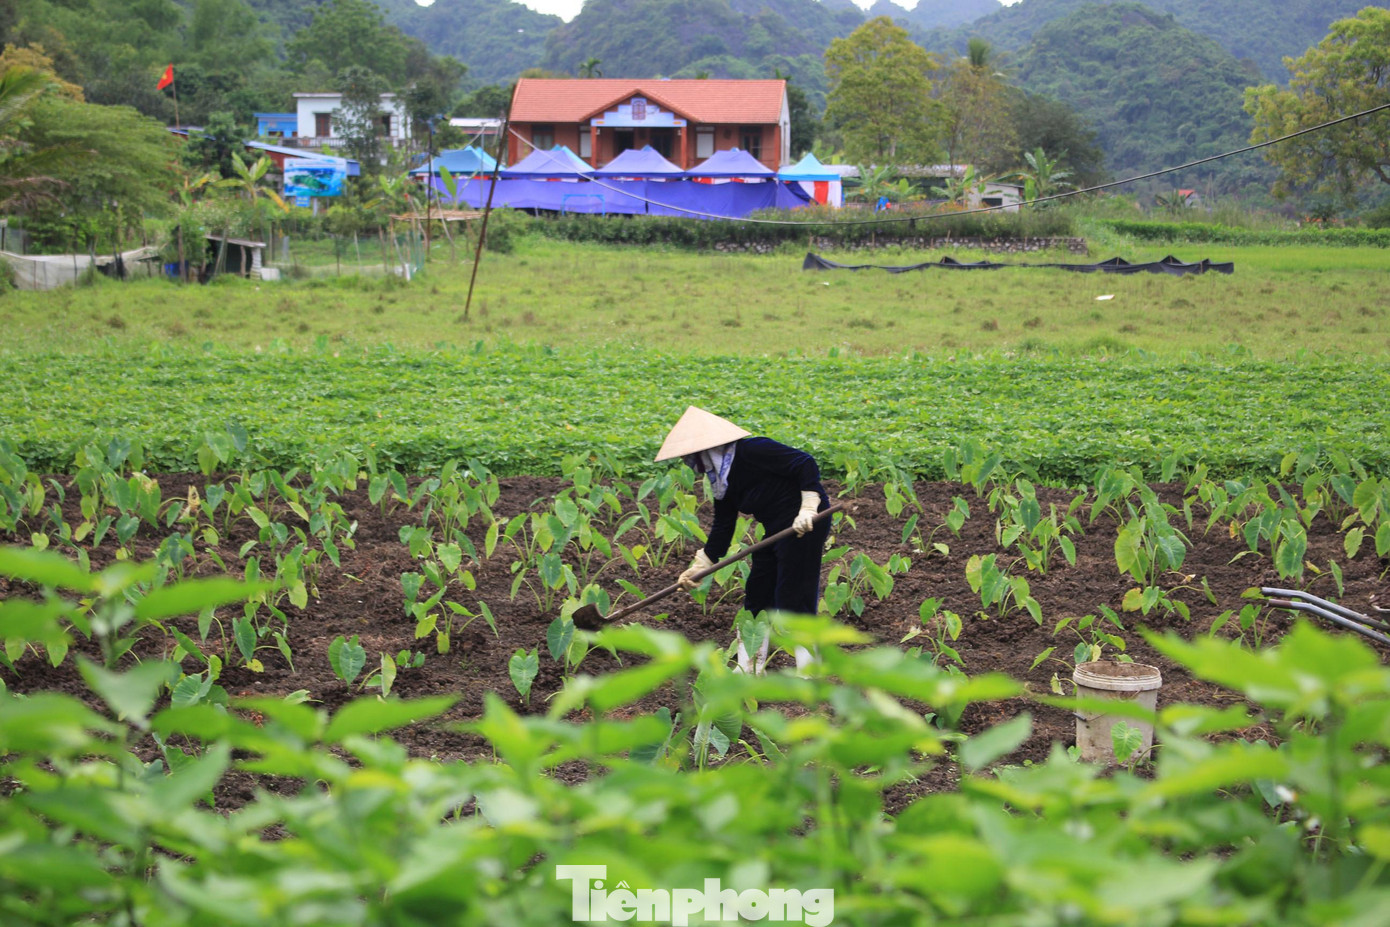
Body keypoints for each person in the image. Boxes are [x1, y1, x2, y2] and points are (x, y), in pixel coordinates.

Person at [654, 406, 831, 673]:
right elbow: (723, 525)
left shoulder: (753, 451)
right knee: (758, 591)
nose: (690, 464)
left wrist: (808, 505)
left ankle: (810, 669)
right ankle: (749, 665)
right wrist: (701, 564)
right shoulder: (722, 482)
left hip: (805, 521)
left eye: (691, 457)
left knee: (793, 594)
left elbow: (804, 463)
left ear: (706, 451)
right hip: (776, 528)